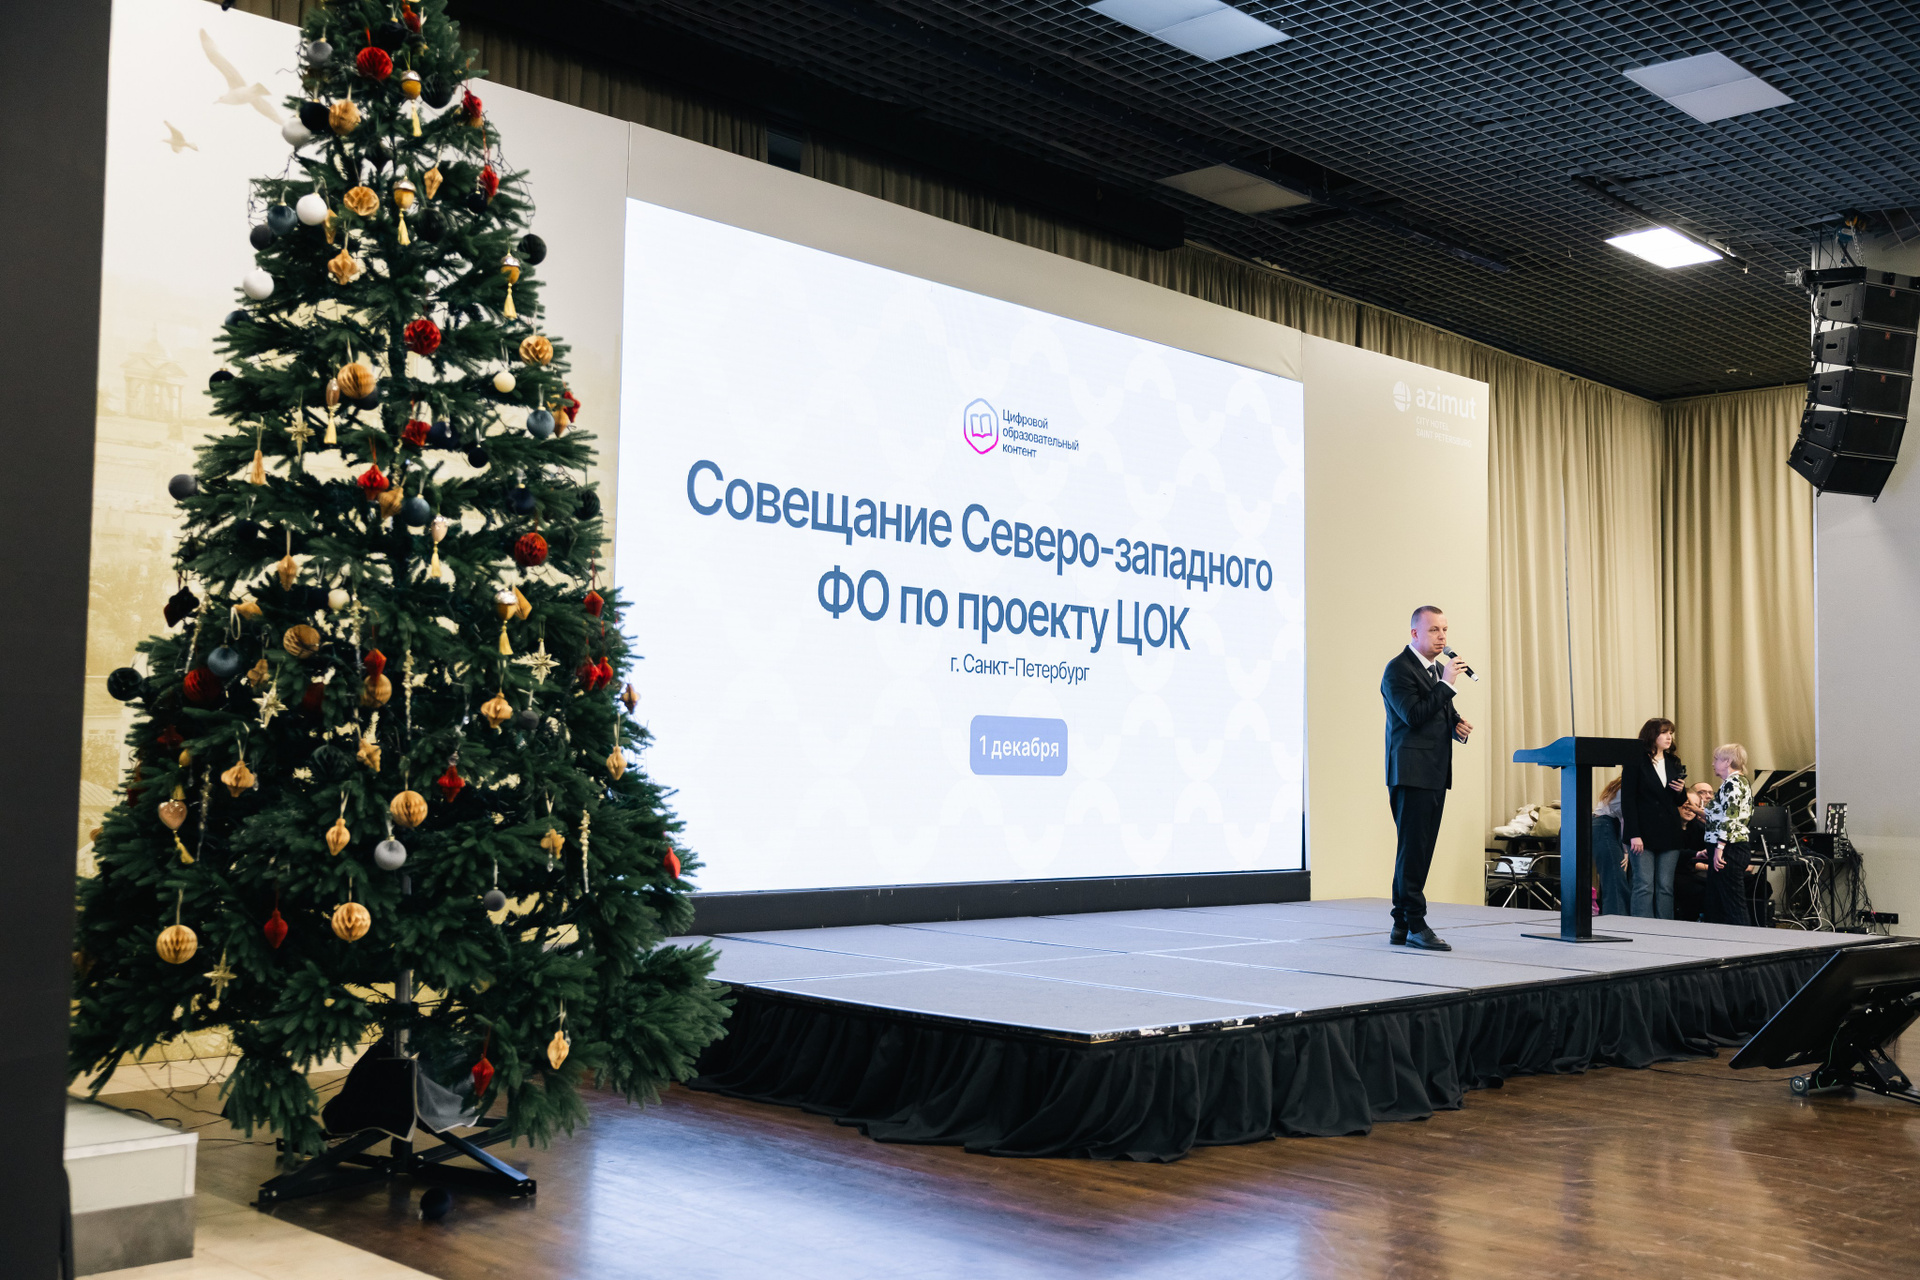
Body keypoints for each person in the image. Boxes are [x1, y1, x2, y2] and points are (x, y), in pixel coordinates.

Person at [1382, 606, 1471, 950]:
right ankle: (1416, 923)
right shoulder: (1398, 669)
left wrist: (1456, 726)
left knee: (1418, 850)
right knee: (1413, 850)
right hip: (1411, 773)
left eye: (1444, 630)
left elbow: (1437, 713)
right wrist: (1447, 683)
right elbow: (1414, 715)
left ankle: (1401, 925)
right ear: (1415, 633)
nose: (1442, 637)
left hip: (1433, 772)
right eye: (1434, 630)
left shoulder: (1434, 671)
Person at [1620, 717, 1689, 919]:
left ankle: (1665, 928)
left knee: (1665, 886)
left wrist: (1681, 791)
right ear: (1652, 735)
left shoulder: (1673, 762)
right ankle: (1642, 928)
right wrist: (1634, 834)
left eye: (1670, 733)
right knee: (1644, 884)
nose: (1669, 737)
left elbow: (1679, 801)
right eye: (1664, 733)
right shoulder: (1635, 761)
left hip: (1669, 831)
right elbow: (1628, 800)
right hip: (1643, 832)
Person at [1701, 743, 1756, 926]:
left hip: (1729, 848)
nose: (1713, 763)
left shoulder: (1732, 784)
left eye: (1716, 759)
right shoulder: (1740, 782)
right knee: (1717, 902)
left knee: (1732, 904)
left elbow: (1730, 816)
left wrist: (1720, 848)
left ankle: (1743, 941)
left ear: (1727, 761)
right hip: (1729, 846)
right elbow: (1719, 816)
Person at [1672, 782, 1714, 923]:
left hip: (1692, 873)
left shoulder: (1698, 828)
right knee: (1699, 891)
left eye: (1694, 806)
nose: (1689, 809)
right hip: (1674, 874)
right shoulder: (1670, 828)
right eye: (1686, 805)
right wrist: (1696, 857)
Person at [1594, 777, 1630, 917]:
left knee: (1613, 876)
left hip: (1603, 824)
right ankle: (1616, 918)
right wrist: (1626, 851)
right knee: (1614, 877)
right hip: (1605, 825)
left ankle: (1616, 916)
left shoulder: (1620, 784)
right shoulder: (1626, 787)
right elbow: (1625, 820)